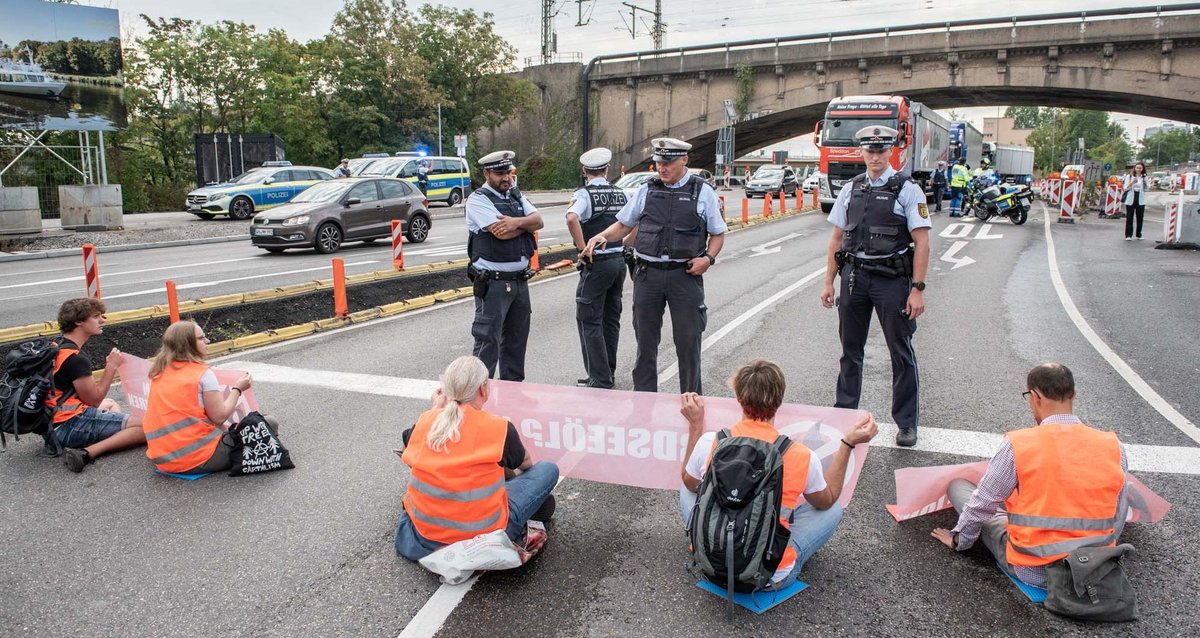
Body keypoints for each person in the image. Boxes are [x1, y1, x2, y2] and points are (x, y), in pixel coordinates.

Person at [679, 359, 879, 587]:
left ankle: (705, 543)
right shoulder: (800, 455)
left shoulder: (711, 441)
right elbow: (827, 501)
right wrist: (847, 443)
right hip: (767, 577)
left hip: (710, 564)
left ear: (739, 398)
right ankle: (774, 546)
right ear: (779, 401)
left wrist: (695, 426)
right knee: (832, 509)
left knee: (689, 488)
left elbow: (689, 483)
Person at [932, 363, 1129, 590]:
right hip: (1093, 567)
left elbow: (983, 503)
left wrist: (959, 541)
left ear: (1034, 396)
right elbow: (1118, 510)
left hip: (1035, 569)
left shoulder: (1019, 444)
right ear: (1073, 395)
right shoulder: (1113, 446)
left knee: (959, 487)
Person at [582, 137, 727, 394]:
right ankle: (645, 403)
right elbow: (624, 224)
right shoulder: (646, 190)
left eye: (668, 161)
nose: (662, 167)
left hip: (685, 276)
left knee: (688, 342)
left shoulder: (702, 191)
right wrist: (603, 235)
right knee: (645, 345)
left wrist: (708, 259)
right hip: (648, 276)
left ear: (684, 160)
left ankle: (691, 400)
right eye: (659, 162)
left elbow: (717, 233)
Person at [820, 126, 930, 447]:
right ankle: (845, 414)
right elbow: (837, 238)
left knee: (900, 353)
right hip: (854, 278)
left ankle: (906, 423)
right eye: (870, 151)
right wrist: (829, 280)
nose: (875, 157)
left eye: (881, 151)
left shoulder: (907, 189)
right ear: (862, 153)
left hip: (892, 281)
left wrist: (917, 288)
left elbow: (921, 243)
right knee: (849, 352)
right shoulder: (851, 188)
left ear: (891, 152)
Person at [394, 356, 559, 561]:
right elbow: (526, 464)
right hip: (483, 533)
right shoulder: (498, 427)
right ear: (483, 389)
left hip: (425, 534)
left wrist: (435, 409)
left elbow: (410, 448)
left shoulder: (426, 420)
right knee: (548, 469)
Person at [464, 150, 543, 381]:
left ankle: (513, 397)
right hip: (493, 283)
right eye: (499, 173)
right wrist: (525, 226)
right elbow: (501, 234)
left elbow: (539, 221)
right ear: (486, 173)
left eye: (508, 172)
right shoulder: (478, 199)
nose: (505, 178)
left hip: (520, 281)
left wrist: (516, 222)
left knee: (516, 343)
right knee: (487, 343)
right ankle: (475, 399)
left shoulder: (516, 196)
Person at [142, 321, 254, 475]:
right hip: (197, 458)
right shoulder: (202, 374)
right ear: (187, 344)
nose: (207, 341)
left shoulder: (159, 371)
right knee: (267, 423)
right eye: (201, 338)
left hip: (162, 458)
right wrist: (237, 389)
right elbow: (219, 417)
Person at [48, 298, 145, 473]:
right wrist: (111, 367)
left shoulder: (56, 345)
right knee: (149, 427)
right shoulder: (75, 359)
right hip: (70, 426)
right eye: (96, 316)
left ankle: (117, 433)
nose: (102, 320)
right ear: (79, 321)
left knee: (111, 404)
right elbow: (93, 400)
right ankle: (86, 453)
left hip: (50, 425)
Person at [566, 147, 628, 389]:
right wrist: (627, 243)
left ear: (584, 170)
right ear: (607, 169)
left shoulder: (584, 195)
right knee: (610, 320)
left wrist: (583, 249)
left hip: (598, 263)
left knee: (589, 319)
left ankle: (599, 378)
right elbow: (636, 220)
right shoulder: (621, 193)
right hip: (618, 261)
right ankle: (607, 371)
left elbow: (572, 218)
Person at [1122, 162, 1150, 240]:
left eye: (1140, 168)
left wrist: (1145, 182)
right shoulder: (1129, 176)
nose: (1138, 169)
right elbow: (1125, 188)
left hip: (1140, 198)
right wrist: (1132, 182)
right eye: (1137, 168)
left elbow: (1147, 189)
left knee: (1140, 217)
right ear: (1134, 168)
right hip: (1131, 198)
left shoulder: (1144, 177)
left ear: (1143, 169)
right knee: (1129, 217)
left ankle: (1139, 234)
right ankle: (1128, 235)